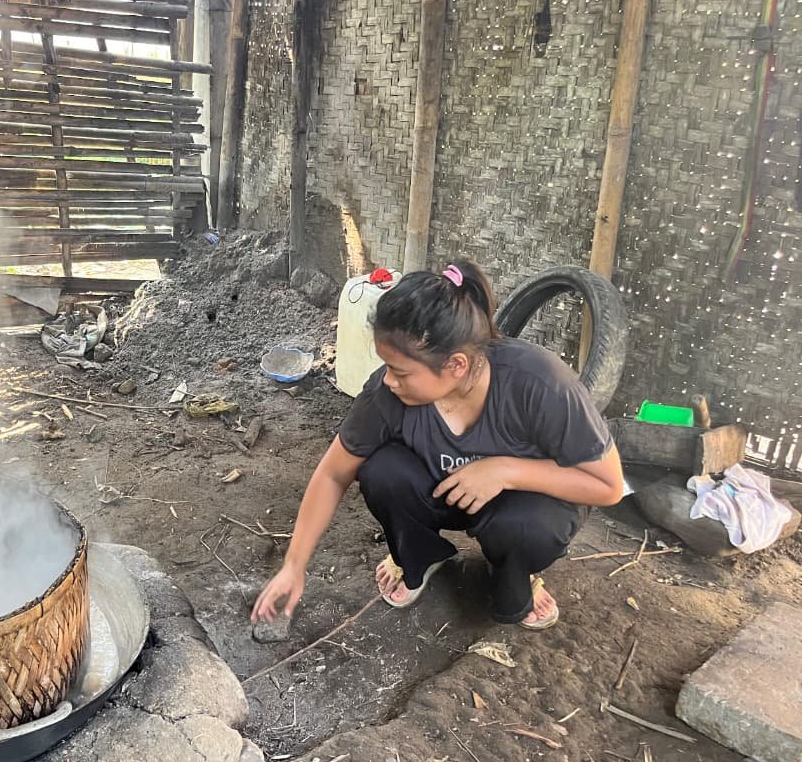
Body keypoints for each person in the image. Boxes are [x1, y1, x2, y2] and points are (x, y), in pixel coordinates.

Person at [250, 260, 624, 631]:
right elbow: (333, 474)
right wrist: (294, 566)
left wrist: (505, 471)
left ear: (456, 365)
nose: (389, 381)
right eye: (387, 366)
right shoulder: (387, 392)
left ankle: (513, 573)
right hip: (445, 494)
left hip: (517, 507)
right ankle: (420, 557)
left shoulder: (540, 383)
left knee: (529, 528)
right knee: (380, 471)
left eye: (401, 372)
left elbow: (608, 487)